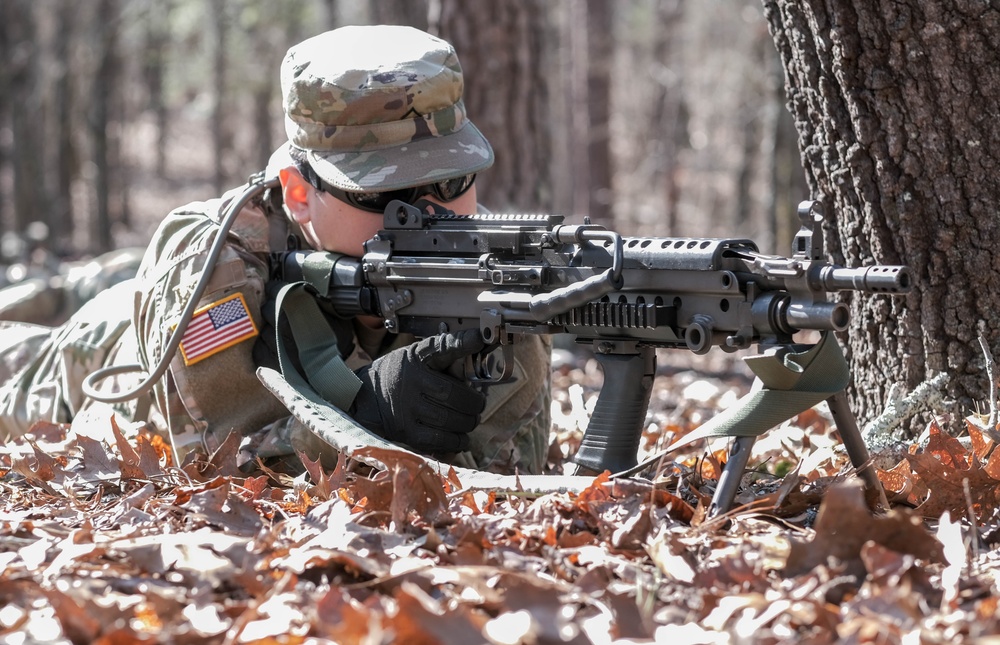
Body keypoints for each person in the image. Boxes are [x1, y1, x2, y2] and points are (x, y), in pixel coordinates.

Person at [0, 25, 552, 476]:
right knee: (35, 324)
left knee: (95, 278)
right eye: (384, 194)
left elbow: (499, 467)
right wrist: (369, 417)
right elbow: (212, 462)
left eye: (451, 181)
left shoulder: (498, 281)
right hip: (101, 357)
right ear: (298, 192)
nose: (429, 214)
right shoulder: (212, 263)